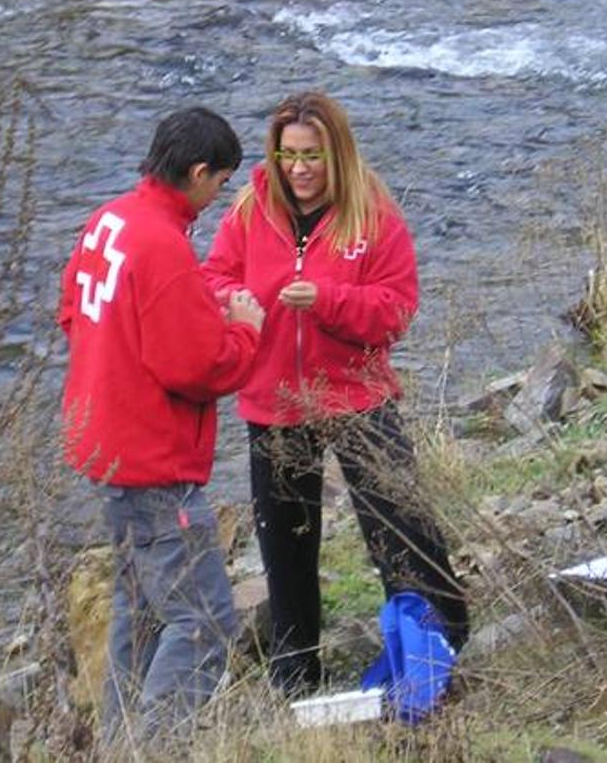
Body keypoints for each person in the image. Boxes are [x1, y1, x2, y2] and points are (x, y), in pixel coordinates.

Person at [201, 91, 468, 696]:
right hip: (273, 403)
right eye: (288, 155)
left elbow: (396, 312)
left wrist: (328, 302)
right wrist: (235, 305)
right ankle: (296, 676)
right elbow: (213, 277)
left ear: (337, 153)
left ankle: (442, 640)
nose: (298, 169)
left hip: (357, 397)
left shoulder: (373, 216)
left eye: (312, 155)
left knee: (400, 529)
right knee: (286, 548)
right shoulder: (248, 209)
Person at [58, 106, 266, 746]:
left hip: (105, 448)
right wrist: (244, 330)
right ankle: (158, 749)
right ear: (198, 173)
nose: (219, 195)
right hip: (154, 464)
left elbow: (72, 310)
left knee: (141, 613)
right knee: (203, 623)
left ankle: (121, 747)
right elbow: (197, 369)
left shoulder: (110, 220)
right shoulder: (163, 243)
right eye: (221, 182)